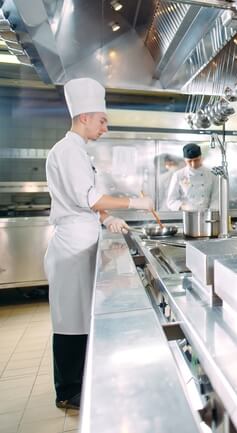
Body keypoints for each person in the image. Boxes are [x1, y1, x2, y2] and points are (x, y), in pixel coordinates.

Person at [45, 77, 154, 410]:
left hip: (83, 241)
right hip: (71, 248)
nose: (105, 127)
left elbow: (88, 201)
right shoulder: (67, 150)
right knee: (69, 321)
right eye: (102, 120)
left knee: (80, 318)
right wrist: (135, 204)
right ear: (84, 117)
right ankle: (68, 390)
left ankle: (80, 383)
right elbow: (88, 197)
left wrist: (107, 219)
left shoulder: (78, 151)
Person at [165, 143, 218, 211]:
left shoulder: (212, 174)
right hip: (186, 216)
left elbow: (216, 199)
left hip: (207, 216)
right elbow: (171, 201)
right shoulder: (178, 175)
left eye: (196, 160)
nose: (193, 164)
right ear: (185, 160)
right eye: (189, 161)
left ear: (201, 158)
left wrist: (210, 213)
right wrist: (184, 207)